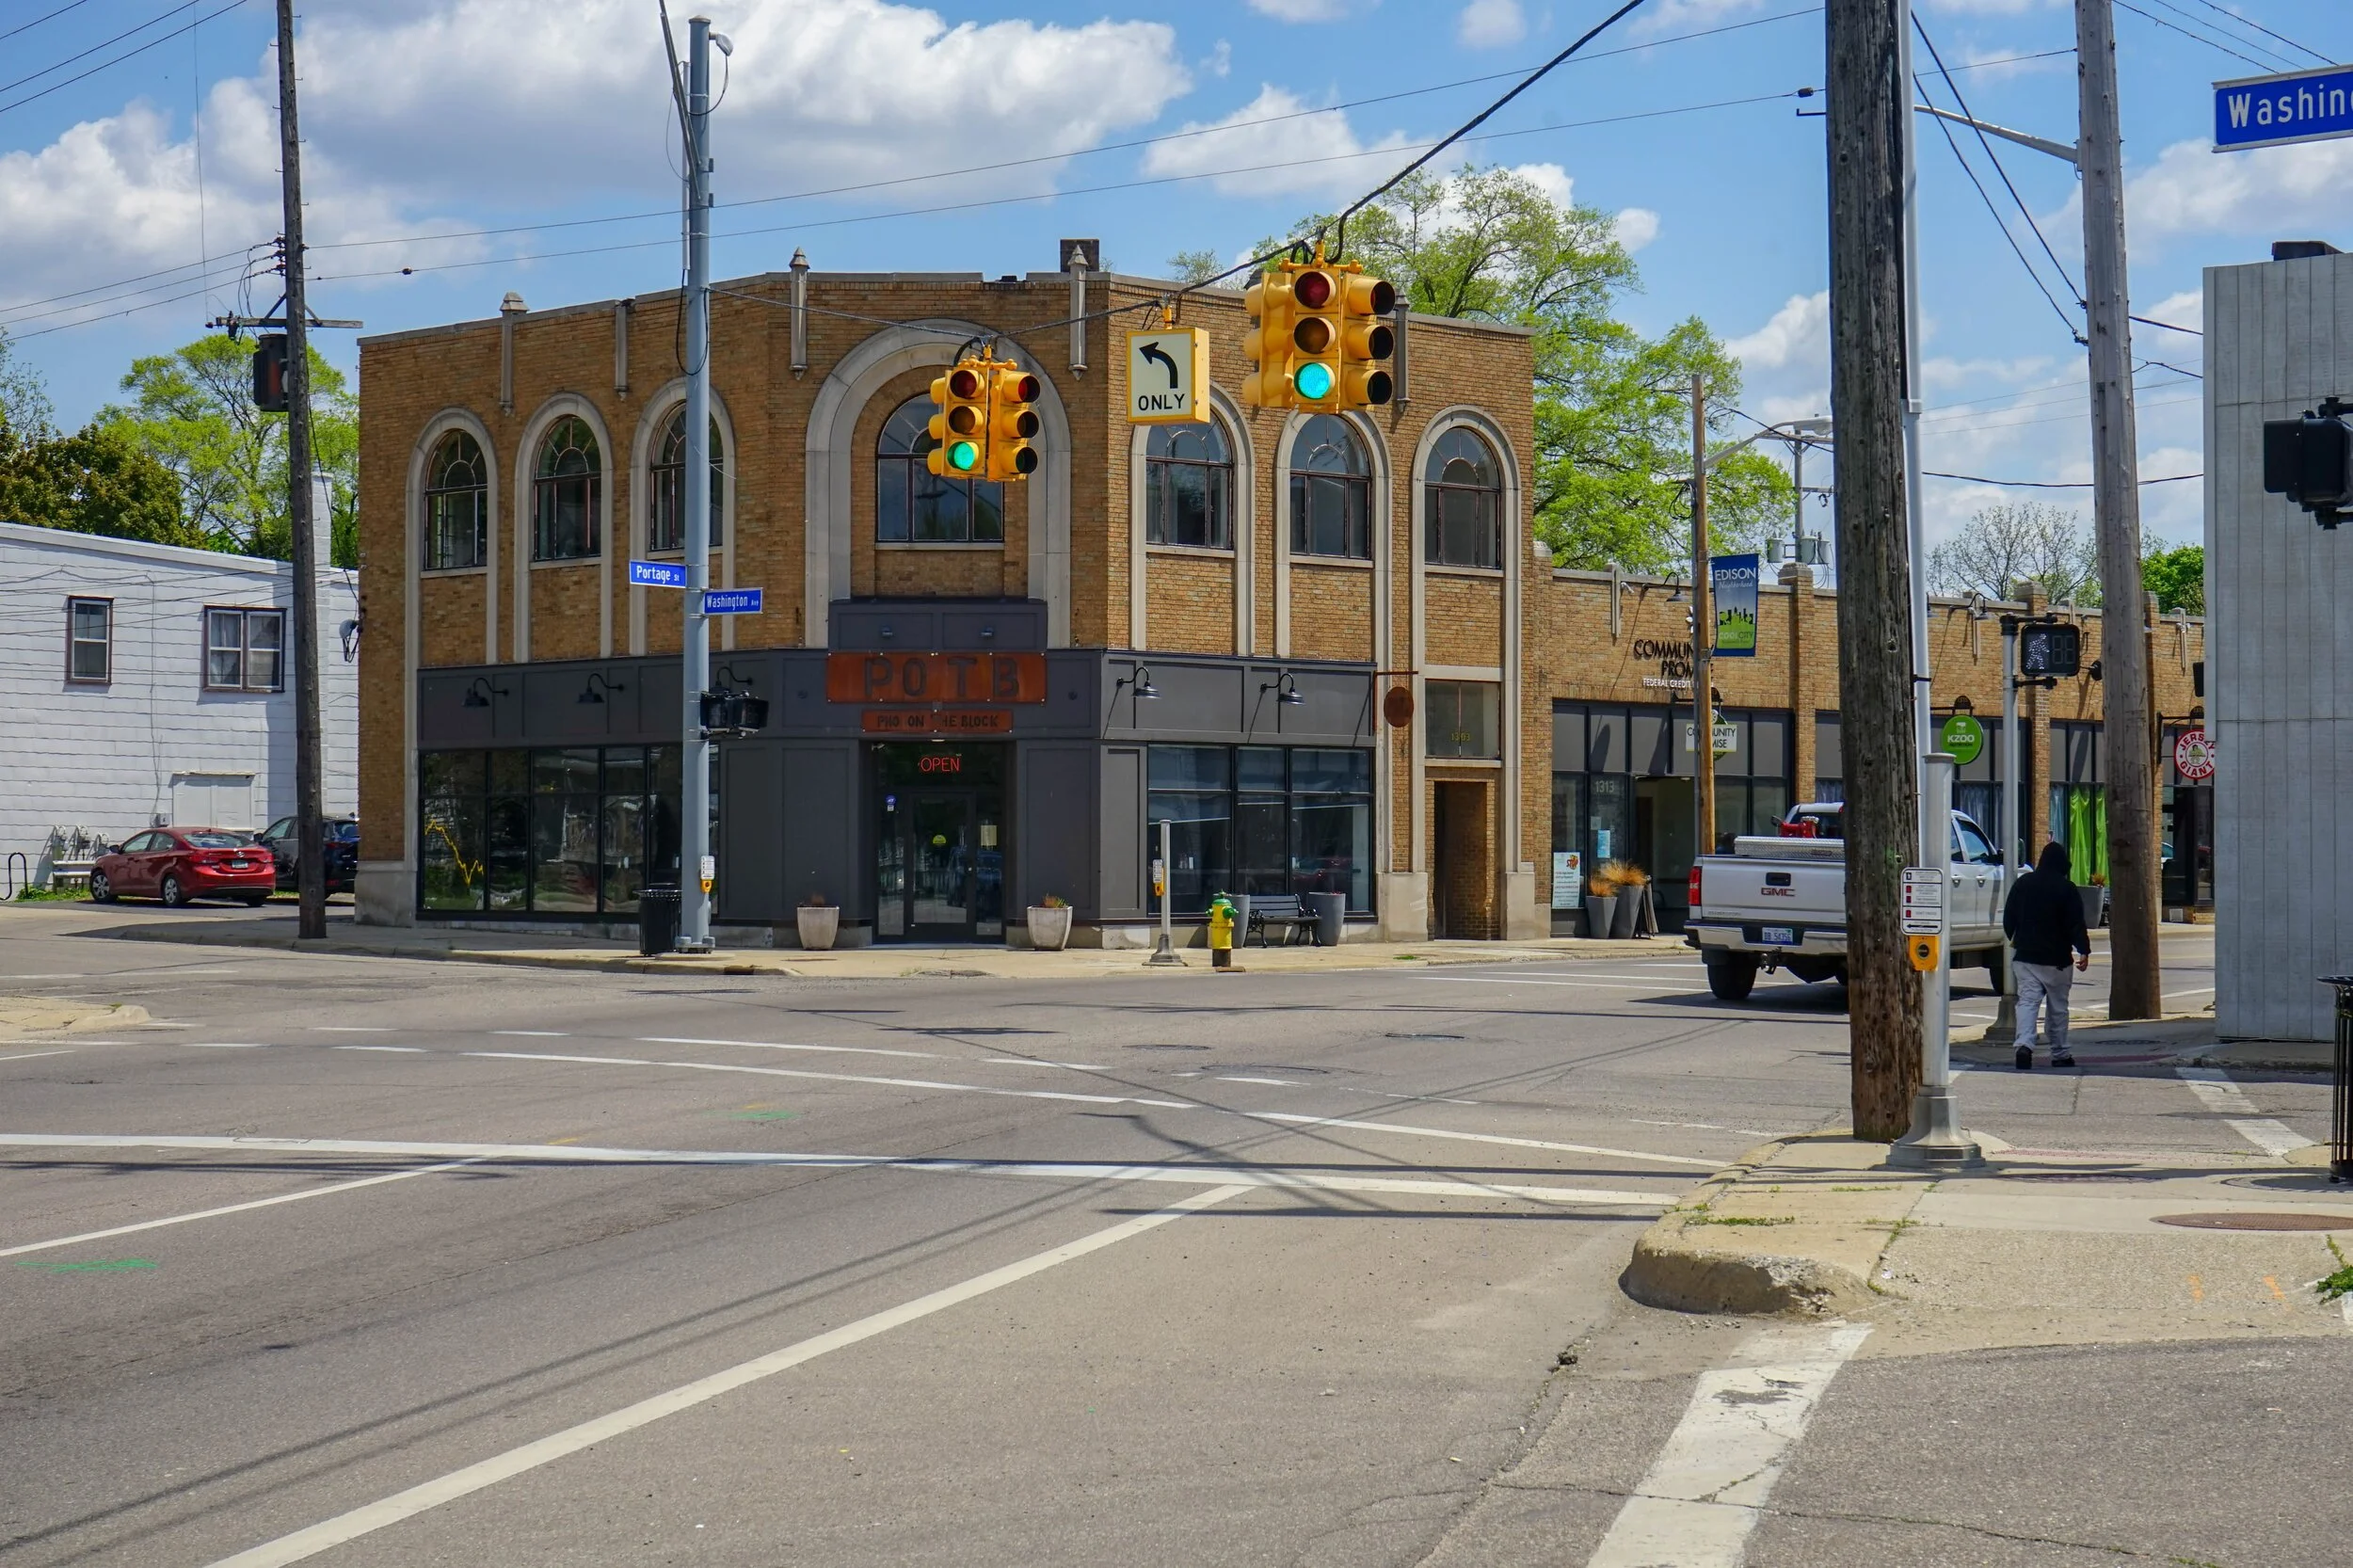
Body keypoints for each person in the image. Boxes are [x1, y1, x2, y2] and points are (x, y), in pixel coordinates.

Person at [2002, 840, 2092, 1070]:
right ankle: (2060, 1053)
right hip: (2057, 960)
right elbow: (2075, 924)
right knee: (2058, 1007)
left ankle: (2024, 1045)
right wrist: (2083, 949)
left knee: (2028, 1002)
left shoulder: (2023, 884)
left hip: (2025, 957)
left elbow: (2009, 918)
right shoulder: (2066, 889)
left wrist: (2017, 937)